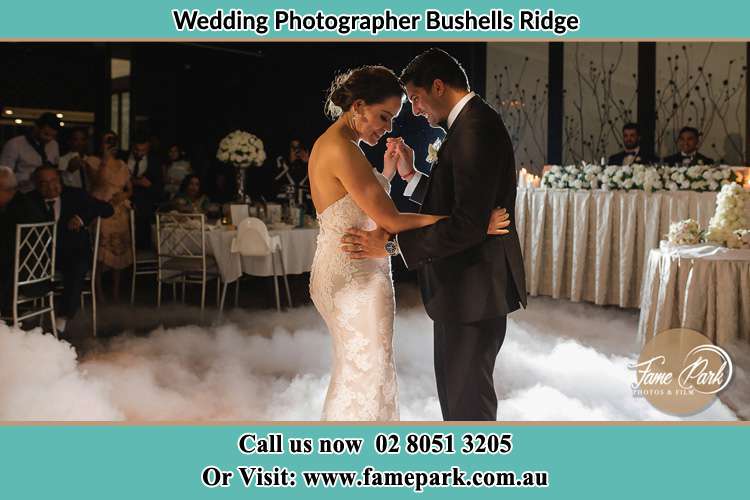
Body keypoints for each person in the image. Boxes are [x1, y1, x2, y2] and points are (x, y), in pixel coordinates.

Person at [308, 65, 511, 421]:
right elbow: (391, 221)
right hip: (355, 277)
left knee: (359, 370)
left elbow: (355, 203)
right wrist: (472, 223)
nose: (387, 128)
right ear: (357, 106)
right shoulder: (342, 150)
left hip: (344, 268)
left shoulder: (336, 144)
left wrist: (392, 175)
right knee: (366, 375)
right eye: (383, 117)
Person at [27, 164, 114, 335]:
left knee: (77, 266)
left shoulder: (76, 195)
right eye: (43, 183)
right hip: (41, 256)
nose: (50, 187)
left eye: (54, 181)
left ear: (60, 179)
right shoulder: (29, 200)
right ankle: (24, 311)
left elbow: (107, 209)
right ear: (37, 185)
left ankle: (62, 319)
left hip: (73, 253)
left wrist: (82, 218)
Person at [88, 130, 133, 302]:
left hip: (120, 211)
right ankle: (98, 290)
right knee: (101, 250)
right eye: (106, 140)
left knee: (119, 250)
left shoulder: (122, 164)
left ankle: (115, 291)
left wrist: (124, 195)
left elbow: (129, 189)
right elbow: (96, 182)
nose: (109, 143)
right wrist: (105, 160)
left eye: (112, 140)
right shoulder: (92, 161)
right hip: (101, 208)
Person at [0, 166, 48, 315]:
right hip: (23, 268)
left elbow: (8, 247)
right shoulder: (21, 202)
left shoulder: (20, 209)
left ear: (8, 190)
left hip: (22, 273)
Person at [0, 112, 61, 193]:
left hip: (46, 194)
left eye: (52, 136)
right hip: (22, 194)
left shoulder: (54, 145)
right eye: (46, 134)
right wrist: (30, 176)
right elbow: (4, 177)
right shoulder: (14, 144)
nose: (48, 139)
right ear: (36, 127)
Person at [126, 134, 164, 249]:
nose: (139, 153)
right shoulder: (122, 157)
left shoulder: (155, 161)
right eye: (137, 150)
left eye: (143, 150)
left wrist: (149, 185)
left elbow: (159, 188)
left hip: (144, 209)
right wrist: (135, 182)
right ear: (132, 146)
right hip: (123, 204)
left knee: (143, 243)